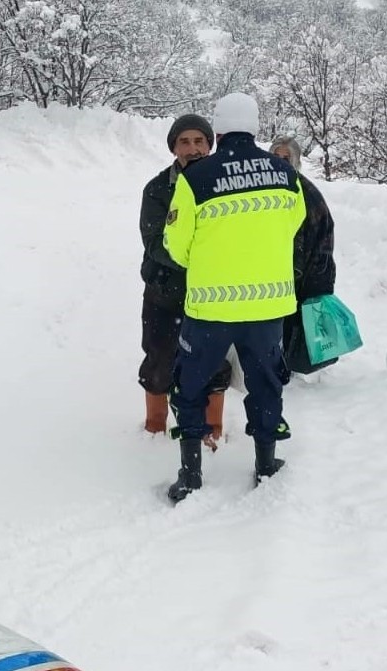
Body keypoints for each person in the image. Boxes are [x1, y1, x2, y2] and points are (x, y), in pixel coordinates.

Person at [162, 93, 306, 504]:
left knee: (190, 387)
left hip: (210, 308)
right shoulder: (284, 173)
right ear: (256, 127)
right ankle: (265, 464)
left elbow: (177, 245)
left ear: (218, 130)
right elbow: (291, 226)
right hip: (267, 308)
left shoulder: (196, 178)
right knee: (265, 384)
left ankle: (190, 475)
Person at [138, 114, 232, 444]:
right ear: (174, 148)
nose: (193, 148)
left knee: (214, 361)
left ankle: (213, 429)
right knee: (160, 358)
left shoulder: (226, 185)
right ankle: (155, 426)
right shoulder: (157, 189)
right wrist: (198, 262)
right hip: (165, 291)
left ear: (210, 145)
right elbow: (154, 242)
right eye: (184, 142)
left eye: (199, 141)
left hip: (214, 294)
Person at [268, 137, 337, 376]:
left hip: (302, 274)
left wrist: (318, 275)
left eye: (285, 158)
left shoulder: (307, 193)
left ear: (295, 162)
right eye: (275, 157)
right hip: (270, 271)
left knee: (295, 324)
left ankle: (289, 365)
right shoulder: (263, 190)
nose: (280, 162)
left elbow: (324, 234)